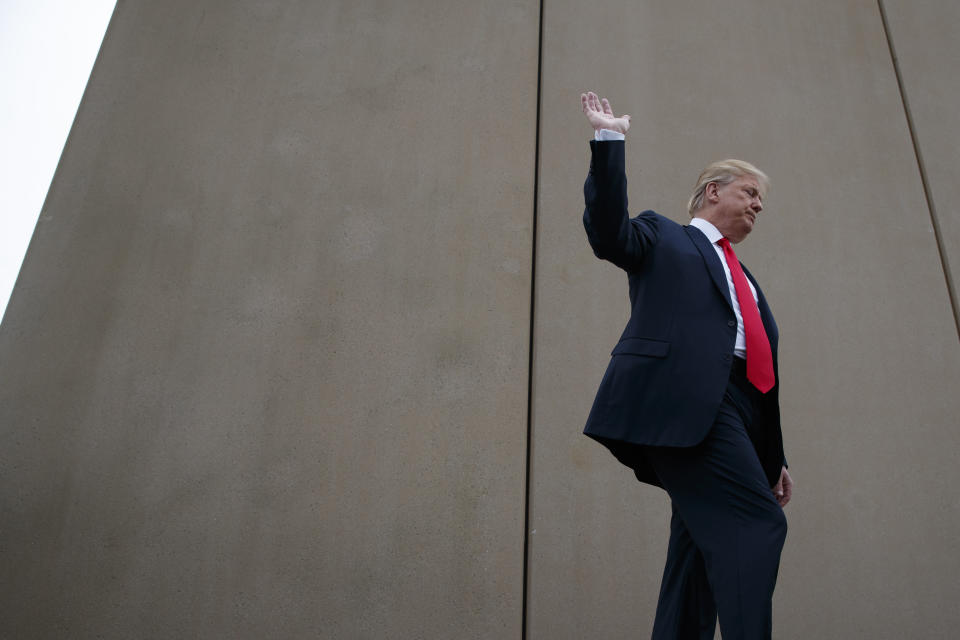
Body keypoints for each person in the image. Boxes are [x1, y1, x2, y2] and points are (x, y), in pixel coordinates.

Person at [579, 91, 793, 640]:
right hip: (686, 403)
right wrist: (609, 140)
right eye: (751, 192)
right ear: (712, 190)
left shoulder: (748, 280)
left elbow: (758, 374)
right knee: (755, 524)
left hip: (737, 416)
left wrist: (774, 457)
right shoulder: (665, 236)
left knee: (694, 559)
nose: (759, 206)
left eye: (761, 200)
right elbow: (609, 232)